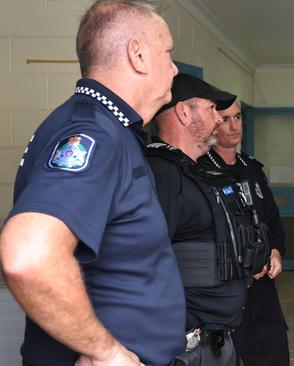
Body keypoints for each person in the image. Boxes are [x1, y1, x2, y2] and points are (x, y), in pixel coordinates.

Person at [0, 1, 186, 366]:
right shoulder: (94, 134)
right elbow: (28, 255)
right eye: (168, 53)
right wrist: (105, 351)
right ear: (138, 55)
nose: (175, 68)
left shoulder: (109, 127)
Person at [148, 73, 268, 366]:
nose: (219, 119)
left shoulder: (197, 172)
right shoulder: (162, 176)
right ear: (183, 112)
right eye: (211, 109)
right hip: (186, 344)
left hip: (216, 338)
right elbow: (145, 262)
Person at [199, 102, 289, 366]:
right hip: (225, 286)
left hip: (262, 286)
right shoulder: (201, 170)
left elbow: (271, 218)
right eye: (225, 119)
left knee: (273, 353)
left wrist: (275, 250)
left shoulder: (252, 168)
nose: (234, 125)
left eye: (237, 117)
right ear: (213, 122)